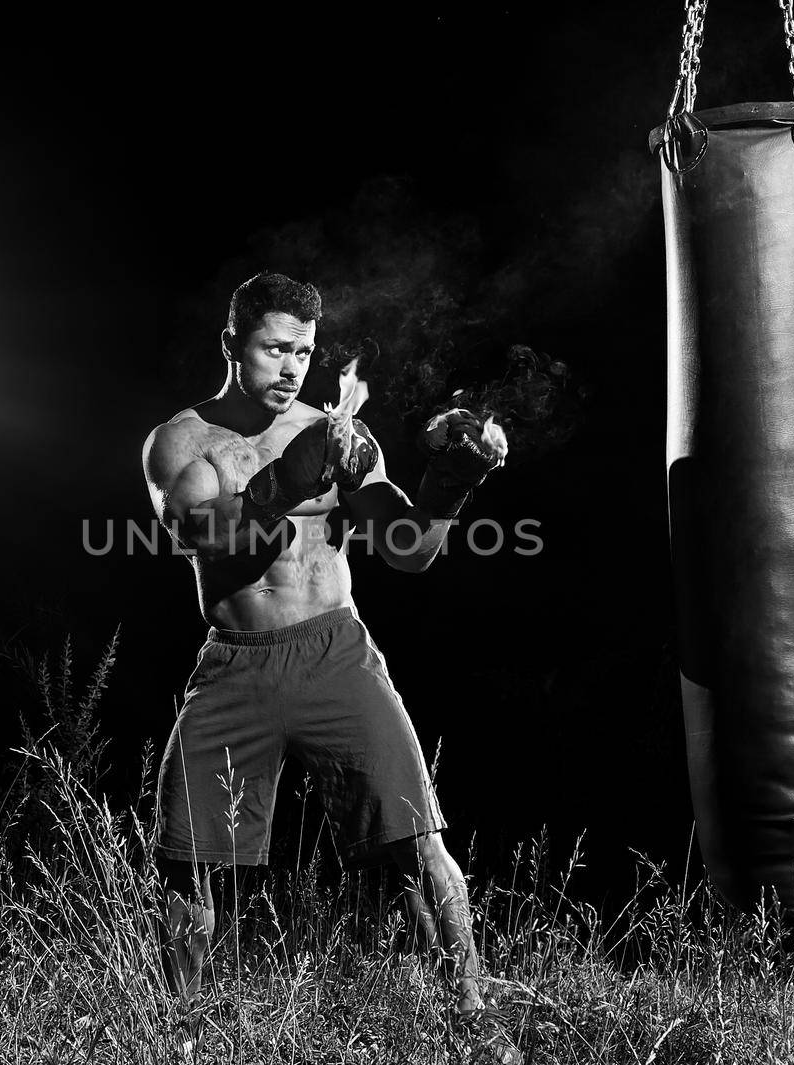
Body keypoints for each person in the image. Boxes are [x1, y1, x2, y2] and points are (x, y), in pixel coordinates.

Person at [141, 271, 520, 1063]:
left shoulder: (336, 432)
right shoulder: (184, 440)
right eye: (274, 348)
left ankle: (476, 1027)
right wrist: (289, 476)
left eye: (304, 352)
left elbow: (409, 551)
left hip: (336, 652)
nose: (291, 367)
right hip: (235, 665)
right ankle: (180, 1039)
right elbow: (204, 538)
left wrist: (455, 476)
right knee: (193, 867)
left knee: (419, 842)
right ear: (231, 345)